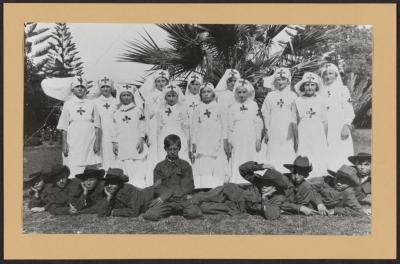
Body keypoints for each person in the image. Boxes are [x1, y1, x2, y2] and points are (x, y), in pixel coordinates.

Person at [191, 161, 289, 220]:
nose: (264, 186)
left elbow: (271, 216)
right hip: (233, 192)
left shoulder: (278, 198)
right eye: (264, 182)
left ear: (275, 188)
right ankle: (189, 200)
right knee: (203, 197)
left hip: (234, 207)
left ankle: (185, 206)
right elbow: (242, 169)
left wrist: (264, 198)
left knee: (203, 208)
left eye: (268, 185)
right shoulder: (259, 182)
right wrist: (261, 166)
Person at [143, 134, 202, 221]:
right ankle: (170, 210)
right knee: (151, 215)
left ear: (179, 149)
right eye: (170, 149)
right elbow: (157, 186)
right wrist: (164, 196)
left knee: (195, 213)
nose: (172, 152)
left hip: (182, 199)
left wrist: (187, 195)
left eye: (175, 149)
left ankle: (180, 210)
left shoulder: (185, 165)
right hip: (166, 200)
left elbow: (189, 183)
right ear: (165, 149)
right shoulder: (159, 167)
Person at [56, 76, 102, 178]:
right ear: (73, 89)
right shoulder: (68, 104)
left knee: (89, 163)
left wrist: (97, 142)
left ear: (86, 89)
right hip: (74, 138)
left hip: (89, 138)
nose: (80, 89)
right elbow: (63, 126)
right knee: (74, 162)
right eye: (77, 87)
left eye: (82, 87)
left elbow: (97, 125)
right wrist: (64, 144)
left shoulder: (92, 104)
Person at [191, 82, 229, 188]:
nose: (206, 94)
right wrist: (193, 142)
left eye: (208, 91)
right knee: (203, 160)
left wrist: (225, 139)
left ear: (213, 93)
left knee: (217, 160)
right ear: (200, 94)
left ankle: (218, 184)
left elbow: (224, 125)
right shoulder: (198, 108)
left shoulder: (220, 107)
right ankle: (203, 184)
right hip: (202, 140)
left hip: (217, 139)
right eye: (203, 92)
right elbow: (194, 127)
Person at [226, 78, 263, 184]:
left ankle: (252, 180)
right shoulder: (232, 107)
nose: (241, 95)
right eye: (239, 92)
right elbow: (229, 126)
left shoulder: (253, 105)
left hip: (251, 136)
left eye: (244, 92)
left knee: (251, 157)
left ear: (249, 92)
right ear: (235, 93)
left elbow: (258, 123)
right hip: (237, 137)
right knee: (237, 157)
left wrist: (258, 139)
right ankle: (237, 180)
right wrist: (229, 141)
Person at [261, 67, 297, 172]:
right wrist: (267, 129)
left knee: (287, 147)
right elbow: (265, 113)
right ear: (274, 81)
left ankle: (286, 171)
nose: (280, 82)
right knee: (273, 147)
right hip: (273, 126)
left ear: (288, 81)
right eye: (278, 79)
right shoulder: (270, 95)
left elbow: (295, 114)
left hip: (288, 128)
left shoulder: (292, 95)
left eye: (283, 79)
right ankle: (273, 171)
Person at [320, 63, 355, 171]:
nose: (327, 76)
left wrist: (346, 125)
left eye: (330, 73)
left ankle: (341, 175)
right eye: (325, 74)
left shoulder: (343, 89)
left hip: (339, 126)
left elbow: (349, 110)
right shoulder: (320, 90)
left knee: (339, 151)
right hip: (324, 126)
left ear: (336, 75)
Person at [293, 72, 329, 178]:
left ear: (316, 86)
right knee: (305, 153)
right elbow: (294, 122)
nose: (309, 87)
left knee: (318, 153)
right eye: (307, 85)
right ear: (303, 86)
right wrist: (297, 140)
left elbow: (325, 121)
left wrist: (325, 139)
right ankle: (305, 177)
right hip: (303, 131)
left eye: (312, 84)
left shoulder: (321, 100)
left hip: (318, 131)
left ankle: (319, 177)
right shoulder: (297, 100)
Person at [112, 83, 148, 187]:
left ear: (132, 96)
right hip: (123, 143)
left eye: (128, 95)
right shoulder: (117, 112)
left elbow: (142, 125)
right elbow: (114, 129)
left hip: (135, 141)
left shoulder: (138, 110)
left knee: (137, 164)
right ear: (120, 97)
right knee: (125, 164)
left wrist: (141, 139)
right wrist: (114, 142)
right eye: (123, 95)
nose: (126, 97)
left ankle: (139, 185)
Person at [141, 69, 170, 174]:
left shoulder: (171, 95)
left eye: (163, 81)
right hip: (153, 125)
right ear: (155, 82)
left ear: (167, 82)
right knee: (154, 149)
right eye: (158, 81)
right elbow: (147, 116)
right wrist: (147, 132)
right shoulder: (150, 96)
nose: (161, 83)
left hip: (166, 125)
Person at [156, 84, 190, 163]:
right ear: (165, 97)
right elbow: (158, 127)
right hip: (164, 135)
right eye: (169, 96)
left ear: (178, 97)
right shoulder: (160, 110)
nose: (171, 98)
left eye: (173, 96)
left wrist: (187, 140)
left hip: (179, 135)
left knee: (181, 155)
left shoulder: (183, 109)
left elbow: (186, 126)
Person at [93, 76, 119, 171]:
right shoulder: (95, 102)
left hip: (114, 132)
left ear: (111, 88)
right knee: (102, 152)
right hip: (101, 132)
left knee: (114, 154)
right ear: (100, 88)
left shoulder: (117, 101)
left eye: (107, 86)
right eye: (103, 87)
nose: (105, 89)